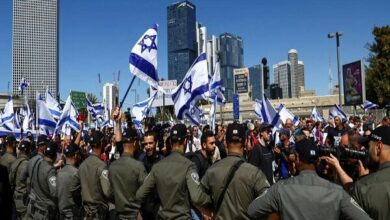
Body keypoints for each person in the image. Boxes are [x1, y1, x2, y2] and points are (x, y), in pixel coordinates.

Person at [247, 138, 371, 220]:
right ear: (318, 161)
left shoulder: (279, 189)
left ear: (297, 159)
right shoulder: (337, 192)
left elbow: (252, 210)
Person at [136, 124, 210, 219]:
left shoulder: (158, 166)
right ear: (185, 141)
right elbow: (197, 197)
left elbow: (140, 195)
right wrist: (210, 201)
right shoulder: (188, 166)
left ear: (170, 142)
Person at [201, 122, 270, 219]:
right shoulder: (254, 173)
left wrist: (207, 212)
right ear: (245, 142)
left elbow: (196, 196)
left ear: (225, 142)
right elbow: (270, 203)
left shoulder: (212, 170)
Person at [70, 130, 111, 219]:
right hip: (98, 215)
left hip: (86, 214)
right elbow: (107, 192)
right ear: (101, 143)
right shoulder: (101, 166)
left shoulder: (83, 165)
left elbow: (72, 187)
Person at [351, 126, 390, 220]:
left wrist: (363, 181)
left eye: (368, 146)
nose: (366, 151)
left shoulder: (364, 186)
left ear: (378, 147)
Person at [109, 126, 147, 219]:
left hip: (119, 215)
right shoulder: (138, 166)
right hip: (135, 215)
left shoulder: (112, 166)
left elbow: (108, 193)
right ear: (135, 143)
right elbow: (146, 191)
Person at [138, 130, 163, 220]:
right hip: (144, 208)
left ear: (156, 143)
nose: (148, 146)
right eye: (145, 144)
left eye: (150, 143)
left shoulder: (162, 161)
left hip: (159, 207)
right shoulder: (140, 160)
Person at [30, 141, 58, 219]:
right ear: (55, 155)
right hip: (45, 211)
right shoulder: (50, 171)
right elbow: (55, 192)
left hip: (35, 207)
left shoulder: (38, 163)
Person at [57, 143, 82, 220]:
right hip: (72, 215)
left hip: (60, 214)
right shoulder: (77, 173)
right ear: (75, 155)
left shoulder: (59, 173)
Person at [25, 135, 48, 219]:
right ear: (42, 146)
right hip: (40, 204)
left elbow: (23, 177)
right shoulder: (44, 162)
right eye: (46, 145)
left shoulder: (31, 160)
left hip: (31, 201)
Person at [9, 140, 31, 219]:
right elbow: (29, 185)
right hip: (24, 201)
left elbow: (10, 180)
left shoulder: (15, 162)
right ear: (28, 150)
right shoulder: (27, 164)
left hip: (15, 198)